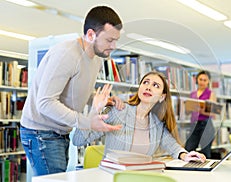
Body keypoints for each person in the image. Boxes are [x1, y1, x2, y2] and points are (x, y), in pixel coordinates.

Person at [20, 6, 125, 176]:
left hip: (61, 131)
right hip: (41, 131)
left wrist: (100, 100)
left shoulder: (97, 59)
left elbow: (75, 92)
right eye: (109, 40)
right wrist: (87, 122)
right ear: (91, 35)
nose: (114, 46)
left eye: (116, 40)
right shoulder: (66, 54)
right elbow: (45, 103)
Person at [72, 71, 206, 162]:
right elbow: (77, 140)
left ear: (162, 97)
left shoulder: (157, 124)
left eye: (155, 85)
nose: (148, 87)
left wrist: (186, 156)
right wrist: (95, 110)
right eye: (145, 82)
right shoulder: (119, 111)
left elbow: (173, 147)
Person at [185, 70, 216, 159]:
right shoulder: (192, 94)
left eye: (204, 80)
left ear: (208, 81)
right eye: (200, 79)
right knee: (189, 149)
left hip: (206, 124)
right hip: (194, 124)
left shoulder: (211, 94)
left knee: (205, 152)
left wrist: (201, 111)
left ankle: (207, 170)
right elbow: (187, 112)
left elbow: (213, 112)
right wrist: (188, 107)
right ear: (196, 80)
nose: (202, 82)